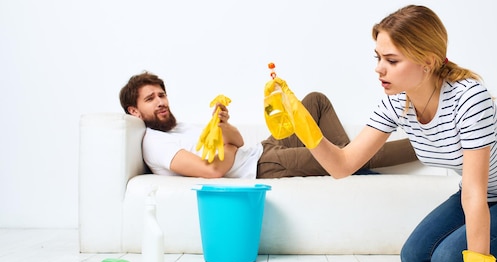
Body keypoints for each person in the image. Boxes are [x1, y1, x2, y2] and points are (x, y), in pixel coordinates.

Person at [269, 5, 497, 262]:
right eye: (378, 58)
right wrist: (303, 124)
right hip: (481, 197)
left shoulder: (469, 98)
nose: (379, 68)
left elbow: (475, 192)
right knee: (415, 260)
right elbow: (342, 166)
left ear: (427, 62)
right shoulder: (395, 102)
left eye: (391, 60)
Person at [118, 72, 417, 179]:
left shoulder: (178, 128)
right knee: (352, 158)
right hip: (263, 166)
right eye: (150, 99)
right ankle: (429, 142)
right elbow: (212, 171)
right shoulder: (154, 144)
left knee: (315, 101)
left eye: (162, 94)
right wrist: (229, 142)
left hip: (262, 149)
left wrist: (224, 128)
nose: (161, 102)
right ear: (134, 110)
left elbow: (235, 138)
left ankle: (347, 160)